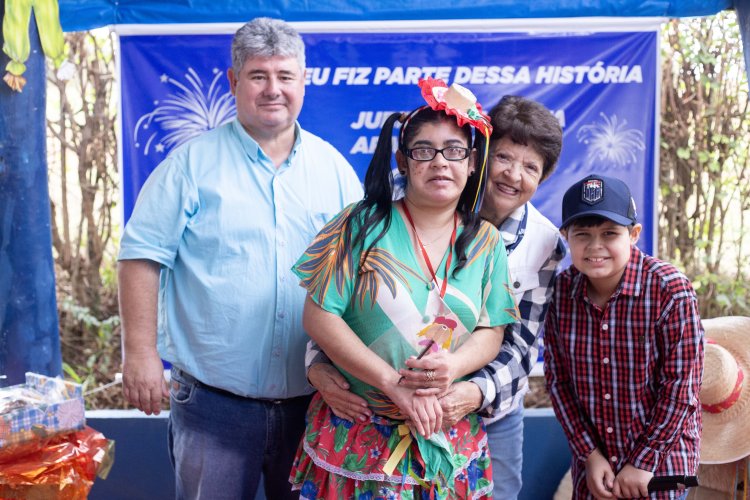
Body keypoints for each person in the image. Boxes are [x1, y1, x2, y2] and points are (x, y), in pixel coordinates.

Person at [117, 18, 363, 500]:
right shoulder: (189, 166)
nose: (274, 89)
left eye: (285, 76)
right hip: (213, 406)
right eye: (258, 76)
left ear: (303, 82)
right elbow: (140, 257)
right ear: (234, 82)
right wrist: (141, 354)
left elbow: (357, 275)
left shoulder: (334, 170)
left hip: (312, 402)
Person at [306, 95, 566, 499]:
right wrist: (342, 370)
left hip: (462, 419)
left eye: (530, 167)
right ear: (404, 160)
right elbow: (327, 314)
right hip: (362, 425)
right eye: (426, 151)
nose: (440, 162)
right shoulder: (366, 220)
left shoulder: (500, 243)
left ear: (469, 161)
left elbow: (502, 334)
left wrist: (460, 377)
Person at [544, 174, 704, 499]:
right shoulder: (561, 292)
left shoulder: (670, 290)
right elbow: (559, 382)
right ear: (566, 237)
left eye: (609, 234)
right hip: (595, 465)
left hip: (661, 461)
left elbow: (681, 386)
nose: (595, 246)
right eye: (583, 234)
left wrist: (643, 462)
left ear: (633, 235)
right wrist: (589, 454)